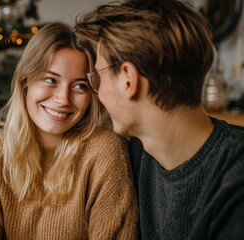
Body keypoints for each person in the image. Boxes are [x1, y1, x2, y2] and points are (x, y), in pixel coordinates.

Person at [74, 0, 244, 239]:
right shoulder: (136, 153)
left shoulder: (235, 190)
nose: (98, 93)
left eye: (98, 78)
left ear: (128, 79)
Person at [0, 22, 138, 239]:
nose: (63, 99)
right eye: (51, 79)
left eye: (80, 86)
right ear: (26, 81)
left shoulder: (105, 150)